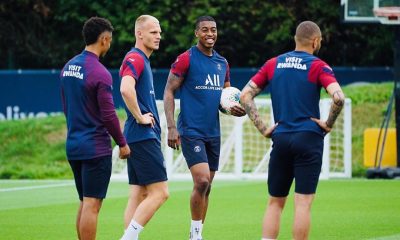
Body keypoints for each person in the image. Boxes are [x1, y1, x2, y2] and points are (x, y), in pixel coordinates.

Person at [240, 20, 345, 240]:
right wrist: (328, 124)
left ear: (295, 39)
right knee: (303, 203)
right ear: (315, 41)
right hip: (308, 138)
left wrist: (263, 128)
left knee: (275, 202)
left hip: (281, 137)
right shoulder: (318, 65)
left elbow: (244, 95)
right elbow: (338, 97)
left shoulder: (273, 64)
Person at [163, 15, 246, 240]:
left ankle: (196, 234)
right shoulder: (186, 59)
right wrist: (171, 127)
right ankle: (196, 236)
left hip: (213, 132)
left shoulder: (222, 63)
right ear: (196, 33)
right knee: (201, 181)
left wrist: (234, 108)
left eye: (214, 30)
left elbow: (225, 99)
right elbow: (169, 90)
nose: (210, 34)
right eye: (205, 30)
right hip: (191, 130)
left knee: (206, 187)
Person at [60, 17, 130, 240]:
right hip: (94, 148)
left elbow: (66, 106)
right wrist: (122, 143)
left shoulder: (68, 67)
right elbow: (109, 115)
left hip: (74, 145)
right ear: (104, 39)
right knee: (92, 204)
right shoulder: (100, 73)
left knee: (84, 202)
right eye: (109, 41)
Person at [119, 15, 169, 240]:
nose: (158, 36)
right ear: (139, 34)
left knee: (138, 194)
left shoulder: (143, 60)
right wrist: (140, 117)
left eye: (159, 32)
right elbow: (125, 89)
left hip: (137, 136)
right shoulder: (135, 57)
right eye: (153, 32)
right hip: (142, 135)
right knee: (160, 194)